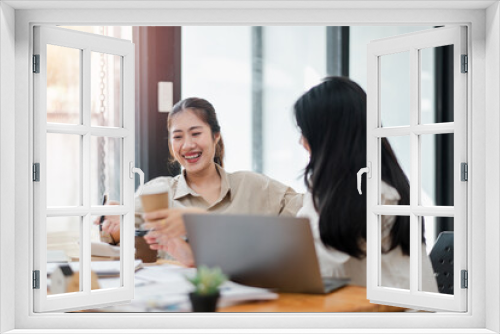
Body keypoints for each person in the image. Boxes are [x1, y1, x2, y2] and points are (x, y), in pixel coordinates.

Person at [98, 97, 303, 266]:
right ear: (171, 145)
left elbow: (314, 212)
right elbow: (120, 242)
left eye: (196, 133)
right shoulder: (156, 193)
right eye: (177, 137)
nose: (187, 145)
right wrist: (112, 224)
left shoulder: (257, 187)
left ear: (215, 136)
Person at [294, 76, 437, 291]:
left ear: (328, 137)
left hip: (396, 314)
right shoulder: (342, 186)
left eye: (306, 132)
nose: (302, 142)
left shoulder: (375, 191)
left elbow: (322, 260)